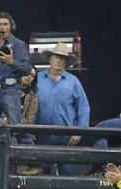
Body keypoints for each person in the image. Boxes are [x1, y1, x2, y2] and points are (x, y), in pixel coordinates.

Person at [36, 42, 90, 176]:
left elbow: (83, 108)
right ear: (50, 59)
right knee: (41, 176)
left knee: (68, 175)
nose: (58, 60)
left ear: (66, 62)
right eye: (56, 56)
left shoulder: (74, 82)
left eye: (62, 58)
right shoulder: (37, 79)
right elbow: (27, 103)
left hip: (66, 136)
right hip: (41, 134)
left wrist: (79, 132)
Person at [0, 12, 33, 143]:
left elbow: (27, 69)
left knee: (17, 128)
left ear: (11, 26)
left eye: (5, 24)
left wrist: (12, 62)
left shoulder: (19, 45)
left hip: (10, 89)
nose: (2, 27)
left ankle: (31, 160)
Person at [15, 66, 40, 175]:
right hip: (4, 129)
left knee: (27, 138)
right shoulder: (6, 90)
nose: (29, 77)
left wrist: (14, 119)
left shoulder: (33, 96)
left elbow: (29, 120)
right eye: (27, 73)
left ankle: (30, 168)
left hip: (22, 130)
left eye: (33, 76)